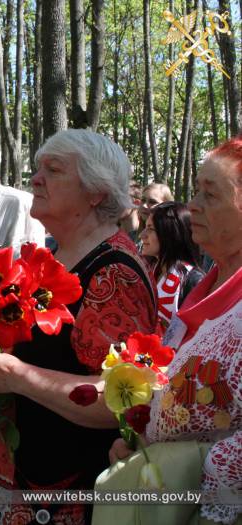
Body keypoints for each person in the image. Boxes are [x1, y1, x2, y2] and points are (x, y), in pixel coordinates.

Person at [0, 129, 158, 525]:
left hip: (59, 497)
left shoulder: (114, 275)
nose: (36, 178)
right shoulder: (51, 256)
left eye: (53, 170)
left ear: (96, 193)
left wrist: (17, 376)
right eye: (38, 168)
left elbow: (118, 401)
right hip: (13, 485)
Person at [107, 137, 242, 525]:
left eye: (210, 195)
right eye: (197, 190)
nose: (193, 204)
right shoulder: (203, 290)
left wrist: (202, 471)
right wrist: (139, 441)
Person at [140, 201, 204, 333]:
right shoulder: (149, 271)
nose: (142, 235)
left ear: (170, 233)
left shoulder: (193, 280)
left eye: (151, 229)